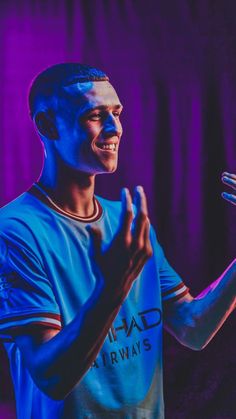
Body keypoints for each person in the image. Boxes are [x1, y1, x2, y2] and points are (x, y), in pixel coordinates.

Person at [0, 63, 235, 419]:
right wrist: (113, 287)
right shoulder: (15, 231)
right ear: (47, 125)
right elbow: (51, 376)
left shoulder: (126, 220)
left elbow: (193, 328)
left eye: (117, 112)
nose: (115, 128)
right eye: (96, 115)